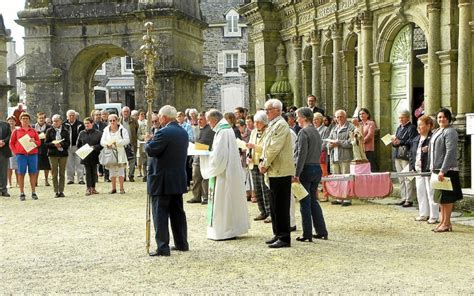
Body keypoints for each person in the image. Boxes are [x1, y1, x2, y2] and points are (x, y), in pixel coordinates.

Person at [145, 105, 189, 256]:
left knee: (160, 213)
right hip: (177, 178)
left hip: (162, 179)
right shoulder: (183, 132)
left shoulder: (163, 132)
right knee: (177, 213)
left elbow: (152, 150)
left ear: (163, 117)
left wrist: (147, 142)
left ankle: (163, 247)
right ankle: (182, 242)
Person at [200, 110, 249, 241]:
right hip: (229, 170)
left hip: (224, 173)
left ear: (214, 120)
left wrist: (205, 155)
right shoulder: (226, 129)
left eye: (209, 120)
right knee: (228, 201)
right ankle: (230, 228)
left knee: (223, 201)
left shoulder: (222, 131)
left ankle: (224, 231)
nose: (208, 123)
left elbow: (218, 157)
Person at [259, 99, 295, 248]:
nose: (266, 112)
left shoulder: (281, 125)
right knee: (274, 205)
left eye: (269, 109)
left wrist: (265, 163)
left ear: (277, 110)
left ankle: (284, 237)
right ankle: (277, 233)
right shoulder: (272, 125)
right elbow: (265, 145)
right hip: (274, 170)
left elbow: (274, 147)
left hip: (280, 170)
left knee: (281, 205)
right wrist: (262, 160)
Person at [293, 107, 328, 242]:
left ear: (303, 117)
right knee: (313, 201)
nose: (297, 120)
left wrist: (296, 173)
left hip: (306, 169)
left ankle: (307, 233)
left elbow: (301, 154)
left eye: (298, 117)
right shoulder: (315, 132)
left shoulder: (304, 132)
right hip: (316, 168)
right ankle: (321, 230)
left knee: (304, 203)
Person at [429, 108, 463, 233]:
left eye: (443, 117)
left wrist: (443, 170)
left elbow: (450, 151)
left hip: (447, 170)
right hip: (438, 169)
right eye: (439, 117)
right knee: (441, 198)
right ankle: (443, 221)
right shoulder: (438, 130)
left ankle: (447, 223)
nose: (441, 119)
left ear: (448, 118)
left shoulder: (450, 132)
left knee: (447, 198)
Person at [409, 115, 439, 224]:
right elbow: (412, 154)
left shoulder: (432, 139)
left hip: (428, 170)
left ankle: (434, 215)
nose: (418, 128)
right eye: (418, 125)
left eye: (421, 125)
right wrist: (412, 166)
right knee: (421, 192)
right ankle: (423, 213)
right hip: (418, 170)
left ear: (429, 126)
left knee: (431, 193)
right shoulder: (416, 139)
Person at [9, 113, 41, 200]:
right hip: (21, 155)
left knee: (33, 173)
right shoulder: (16, 131)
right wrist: (16, 152)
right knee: (21, 173)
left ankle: (33, 192)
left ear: (29, 120)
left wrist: (34, 141)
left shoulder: (33, 131)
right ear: (20, 120)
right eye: (23, 118)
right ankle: (22, 193)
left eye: (27, 118)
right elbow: (11, 143)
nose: (25, 120)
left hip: (32, 155)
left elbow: (39, 143)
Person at [246, 111, 271, 221]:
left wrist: (255, 146)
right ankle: (262, 211)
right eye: (255, 122)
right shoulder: (253, 132)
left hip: (263, 163)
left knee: (265, 189)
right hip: (253, 163)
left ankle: (270, 212)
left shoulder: (268, 131)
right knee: (257, 189)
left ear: (264, 122)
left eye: (258, 122)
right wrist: (248, 155)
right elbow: (249, 145)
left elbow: (266, 149)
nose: (255, 124)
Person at [327, 109, 354, 206]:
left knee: (346, 178)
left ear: (345, 117)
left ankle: (347, 198)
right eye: (337, 117)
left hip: (345, 157)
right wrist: (329, 144)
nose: (339, 119)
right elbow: (329, 139)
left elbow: (352, 142)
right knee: (337, 178)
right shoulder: (334, 128)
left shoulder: (350, 127)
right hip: (335, 156)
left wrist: (339, 143)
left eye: (341, 117)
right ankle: (339, 197)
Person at [391, 110, 417, 207]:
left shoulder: (412, 128)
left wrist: (400, 142)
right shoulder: (399, 128)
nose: (401, 119)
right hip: (398, 155)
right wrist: (394, 142)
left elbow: (412, 141)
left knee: (408, 178)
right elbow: (397, 141)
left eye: (402, 117)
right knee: (401, 178)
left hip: (406, 155)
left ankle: (409, 199)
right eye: (400, 118)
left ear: (408, 117)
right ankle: (403, 197)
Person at [188, 112, 215, 204]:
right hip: (196, 156)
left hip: (207, 157)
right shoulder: (196, 129)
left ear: (206, 120)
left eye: (201, 119)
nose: (199, 121)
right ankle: (196, 196)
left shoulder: (211, 130)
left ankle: (206, 197)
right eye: (198, 119)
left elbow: (213, 144)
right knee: (196, 176)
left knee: (205, 177)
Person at [100, 114, 129, 194]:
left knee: (121, 170)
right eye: (110, 120)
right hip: (110, 152)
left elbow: (127, 140)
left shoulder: (122, 130)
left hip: (120, 152)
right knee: (111, 170)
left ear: (117, 120)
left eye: (114, 120)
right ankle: (113, 188)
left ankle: (122, 188)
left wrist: (117, 143)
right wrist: (107, 144)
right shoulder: (106, 130)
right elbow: (102, 141)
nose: (112, 122)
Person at [45, 114, 70, 198]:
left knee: (62, 173)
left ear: (61, 121)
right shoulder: (49, 131)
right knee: (54, 173)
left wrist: (61, 144)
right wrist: (54, 144)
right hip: (53, 154)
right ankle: (56, 191)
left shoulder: (65, 131)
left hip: (63, 154)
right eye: (53, 121)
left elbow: (68, 143)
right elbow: (46, 143)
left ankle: (61, 190)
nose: (55, 122)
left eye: (56, 121)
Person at [77, 117, 103, 196]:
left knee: (94, 172)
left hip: (95, 155)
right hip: (85, 155)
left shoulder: (98, 133)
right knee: (88, 172)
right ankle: (88, 188)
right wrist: (83, 150)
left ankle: (93, 188)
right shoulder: (81, 133)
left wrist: (94, 147)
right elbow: (78, 144)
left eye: (88, 123)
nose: (86, 125)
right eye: (85, 123)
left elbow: (101, 144)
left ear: (92, 123)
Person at [64, 109, 85, 185]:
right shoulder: (64, 125)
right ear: (67, 117)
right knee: (69, 164)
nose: (72, 117)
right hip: (68, 147)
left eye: (73, 115)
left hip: (79, 147)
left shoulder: (81, 124)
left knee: (80, 163)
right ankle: (70, 179)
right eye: (70, 115)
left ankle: (80, 179)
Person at [313, 112, 329, 201]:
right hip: (312, 156)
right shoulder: (312, 129)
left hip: (321, 154)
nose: (315, 121)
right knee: (314, 175)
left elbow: (325, 142)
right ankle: (315, 195)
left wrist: (316, 150)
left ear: (321, 120)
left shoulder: (325, 129)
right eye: (314, 119)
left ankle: (326, 194)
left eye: (317, 119)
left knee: (324, 175)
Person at [119, 106, 138, 182]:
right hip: (122, 144)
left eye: (127, 111)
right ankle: (123, 176)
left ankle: (131, 175)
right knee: (122, 160)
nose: (126, 113)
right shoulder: (119, 121)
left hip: (131, 143)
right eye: (124, 112)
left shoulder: (134, 121)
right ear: (122, 113)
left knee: (132, 160)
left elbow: (137, 130)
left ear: (129, 113)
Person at [34, 112, 51, 186]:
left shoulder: (49, 127)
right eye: (40, 118)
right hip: (36, 148)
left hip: (46, 148)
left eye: (43, 118)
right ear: (37, 119)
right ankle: (35, 181)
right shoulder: (33, 127)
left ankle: (46, 180)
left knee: (46, 166)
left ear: (45, 119)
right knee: (36, 165)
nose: (41, 119)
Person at [0, 117, 12, 197]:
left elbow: (9, 135)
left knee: (4, 172)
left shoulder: (6, 124)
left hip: (4, 151)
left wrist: (3, 142)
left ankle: (4, 190)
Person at [6, 116, 18, 188]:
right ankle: (9, 183)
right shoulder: (5, 130)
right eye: (9, 121)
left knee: (17, 167)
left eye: (12, 121)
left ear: (15, 122)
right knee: (9, 168)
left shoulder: (17, 130)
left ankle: (18, 182)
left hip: (16, 150)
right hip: (7, 150)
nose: (11, 122)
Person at [136, 110, 148, 181]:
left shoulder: (147, 122)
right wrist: (144, 137)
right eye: (141, 114)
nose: (142, 115)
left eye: (143, 114)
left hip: (147, 143)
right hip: (140, 144)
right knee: (140, 160)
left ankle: (146, 174)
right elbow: (138, 135)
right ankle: (142, 173)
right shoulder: (137, 123)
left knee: (147, 160)